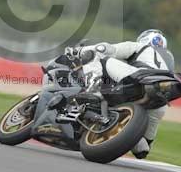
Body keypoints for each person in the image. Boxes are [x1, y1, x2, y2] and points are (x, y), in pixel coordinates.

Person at [65, 29, 172, 159]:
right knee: (144, 146)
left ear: (145, 39)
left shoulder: (140, 47)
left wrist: (78, 51)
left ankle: (92, 91)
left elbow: (106, 48)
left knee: (99, 56)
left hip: (140, 79)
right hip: (161, 97)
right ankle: (135, 140)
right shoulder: (168, 60)